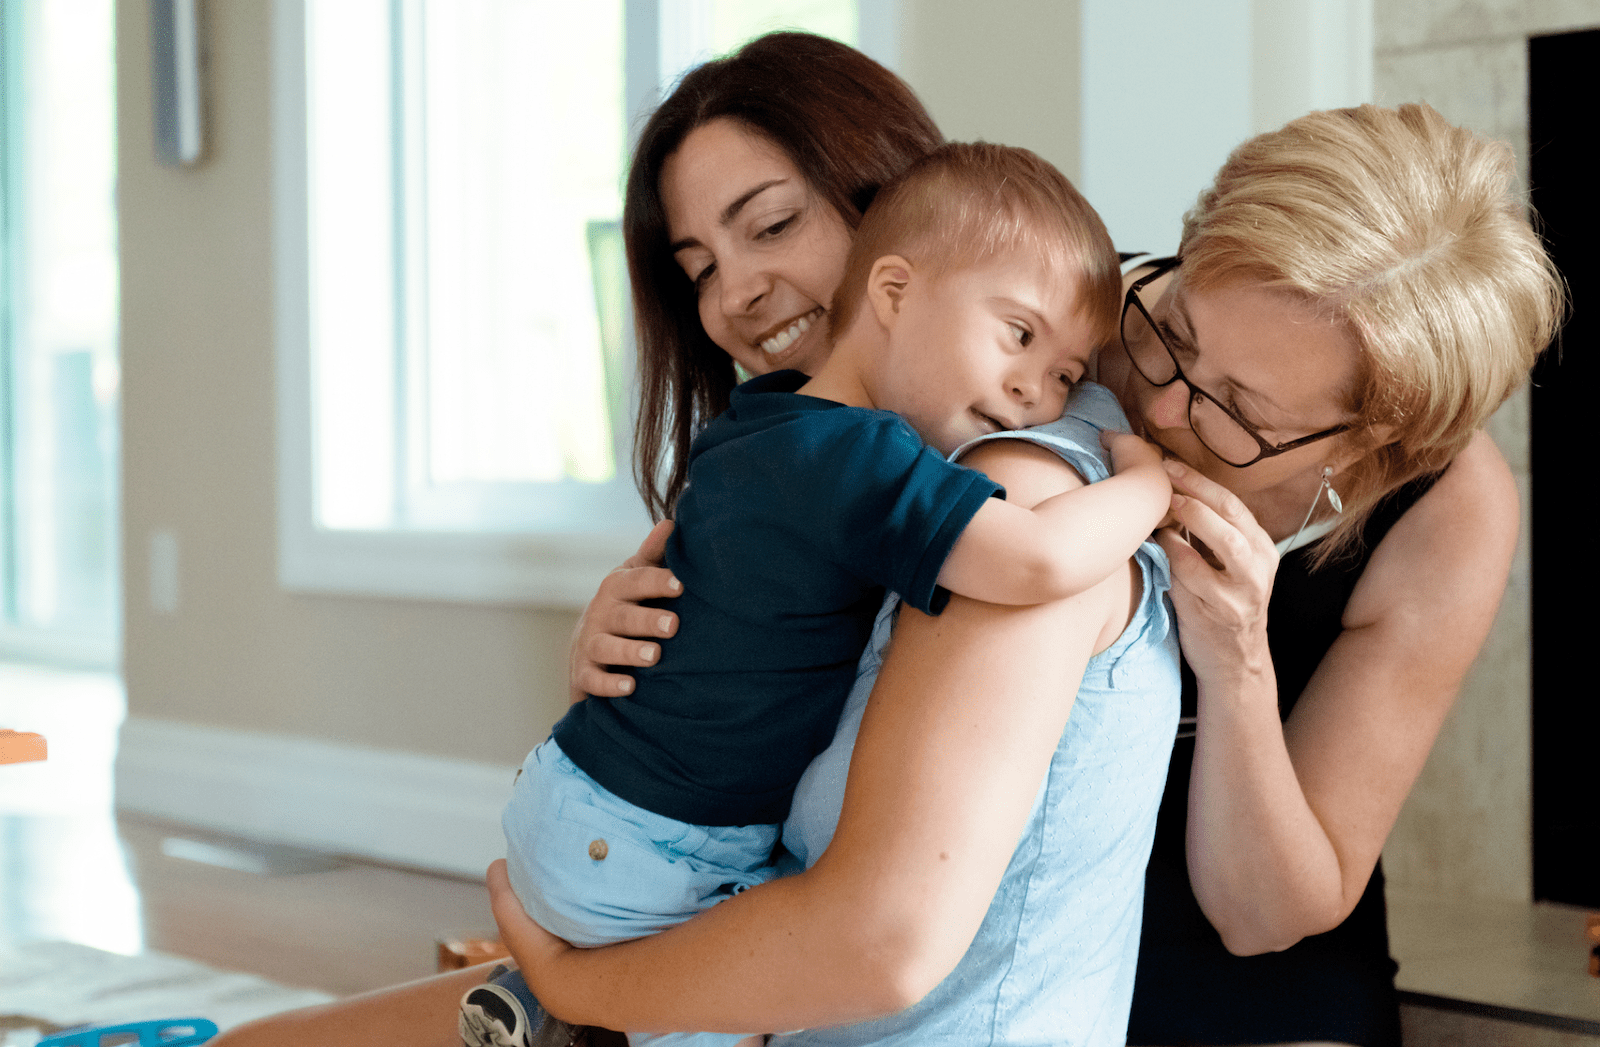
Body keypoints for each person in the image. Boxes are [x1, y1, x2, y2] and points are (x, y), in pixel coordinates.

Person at [210, 35, 1563, 1047]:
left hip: (1182, 982)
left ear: (1366, 452)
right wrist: (643, 613)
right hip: (886, 914)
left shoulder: (1435, 506)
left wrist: (1238, 663)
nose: (1151, 397)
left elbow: (1267, 906)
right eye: (1168, 326)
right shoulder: (1049, 388)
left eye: (1239, 410)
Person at [491, 141, 1172, 1047]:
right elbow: (1040, 559)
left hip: (592, 813)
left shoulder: (769, 420)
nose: (1033, 394)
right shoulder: (859, 457)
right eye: (1018, 337)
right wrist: (1148, 482)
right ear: (893, 289)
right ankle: (565, 1005)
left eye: (1063, 377)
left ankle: (546, 1002)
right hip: (656, 852)